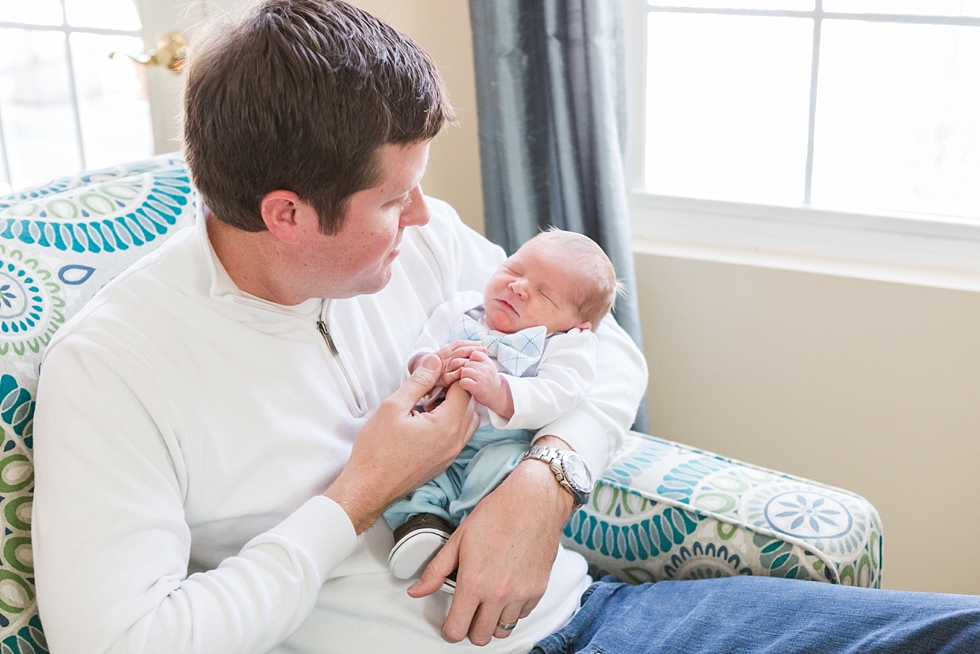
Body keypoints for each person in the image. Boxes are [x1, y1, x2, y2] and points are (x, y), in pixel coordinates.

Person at [29, 1, 980, 653]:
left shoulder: (421, 248)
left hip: (597, 619)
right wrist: (358, 495)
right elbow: (122, 644)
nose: (427, 219)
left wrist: (545, 481)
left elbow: (601, 351)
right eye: (395, 199)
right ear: (286, 214)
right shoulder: (117, 371)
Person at [385, 230, 621, 585]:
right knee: (413, 479)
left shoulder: (567, 345)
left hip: (500, 442)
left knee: (499, 474)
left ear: (577, 324)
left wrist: (501, 392)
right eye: (514, 270)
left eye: (544, 293)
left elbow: (561, 393)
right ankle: (421, 527)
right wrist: (430, 364)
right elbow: (424, 346)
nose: (518, 287)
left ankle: (472, 538)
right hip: (436, 434)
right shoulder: (461, 307)